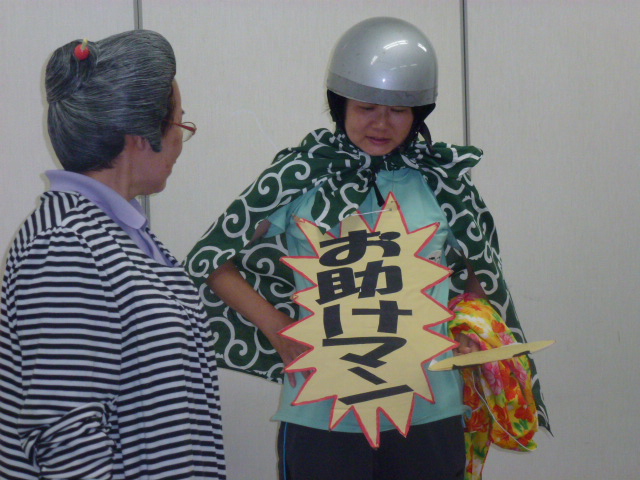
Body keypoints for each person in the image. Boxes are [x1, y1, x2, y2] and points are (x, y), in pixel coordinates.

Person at [185, 17, 548, 480]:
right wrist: (277, 329)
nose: (381, 123)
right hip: (321, 410)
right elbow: (212, 259)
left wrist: (467, 320)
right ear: (340, 105)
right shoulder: (300, 175)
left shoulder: (443, 182)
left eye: (398, 110)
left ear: (418, 113)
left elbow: (483, 266)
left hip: (430, 406)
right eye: (365, 107)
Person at [0, 30, 226, 479]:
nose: (180, 143)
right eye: (179, 125)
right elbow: (64, 434)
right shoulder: (65, 244)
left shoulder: (119, 233)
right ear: (139, 136)